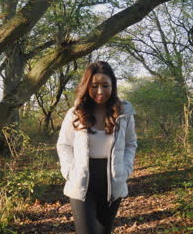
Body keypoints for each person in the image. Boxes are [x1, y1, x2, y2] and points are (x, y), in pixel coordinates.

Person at [56, 61, 137, 234]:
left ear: (113, 86)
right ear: (87, 86)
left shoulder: (124, 114)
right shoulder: (75, 113)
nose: (100, 91)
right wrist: (70, 172)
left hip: (112, 180)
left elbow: (131, 143)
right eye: (94, 86)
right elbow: (64, 145)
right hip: (82, 180)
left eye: (105, 85)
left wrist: (126, 168)